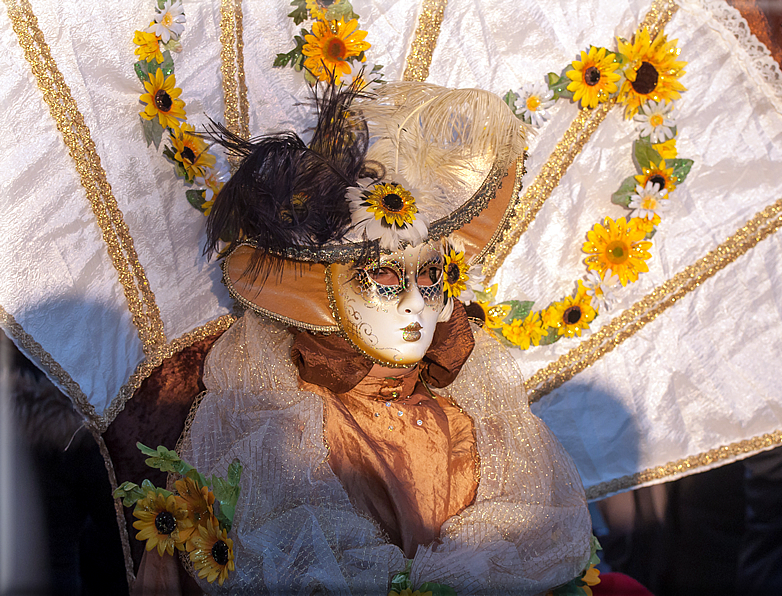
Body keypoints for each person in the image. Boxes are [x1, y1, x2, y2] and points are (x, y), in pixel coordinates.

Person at [134, 80, 594, 594]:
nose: (414, 302)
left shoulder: (481, 427)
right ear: (321, 292)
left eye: (431, 275)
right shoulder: (286, 433)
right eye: (385, 276)